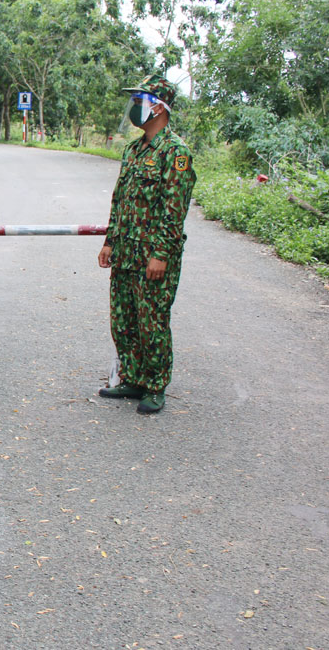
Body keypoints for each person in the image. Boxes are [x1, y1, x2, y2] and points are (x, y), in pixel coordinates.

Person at [97, 73, 196, 414]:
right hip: (126, 252)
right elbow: (119, 201)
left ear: (159, 107)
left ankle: (155, 385)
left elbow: (174, 210)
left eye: (140, 101)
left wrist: (162, 255)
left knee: (151, 321)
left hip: (153, 256)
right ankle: (133, 378)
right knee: (123, 320)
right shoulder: (134, 150)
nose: (134, 108)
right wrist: (110, 242)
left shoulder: (175, 153)